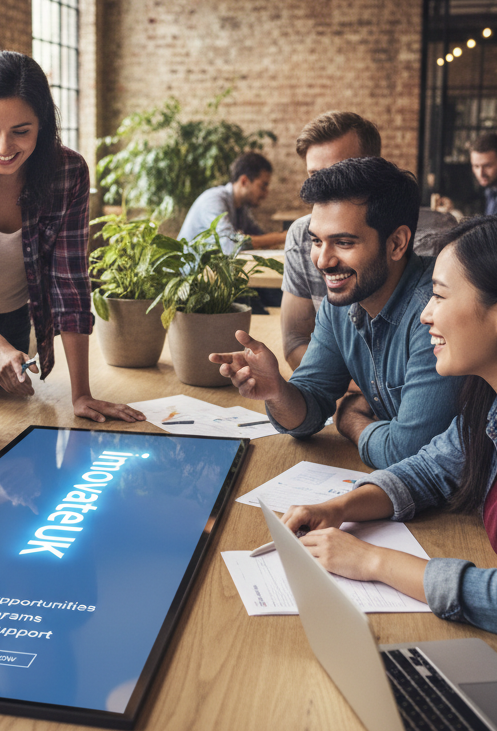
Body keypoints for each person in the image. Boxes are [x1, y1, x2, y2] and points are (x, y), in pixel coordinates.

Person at [275, 214, 497, 731]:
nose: (426, 315)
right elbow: (429, 469)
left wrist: (372, 562)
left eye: (438, 295)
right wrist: (339, 506)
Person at [0, 51, 143, 424]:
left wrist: (81, 393)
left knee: (8, 432)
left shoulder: (68, 173)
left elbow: (69, 283)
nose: (4, 148)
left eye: (21, 131)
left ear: (43, 125)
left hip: (13, 326)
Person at [211, 157, 463, 469]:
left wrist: (349, 419)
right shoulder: (342, 302)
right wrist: (276, 389)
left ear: (397, 243)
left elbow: (408, 454)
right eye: (317, 241)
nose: (322, 260)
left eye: (343, 242)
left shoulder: (435, 313)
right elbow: (310, 404)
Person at [282, 111, 455, 369]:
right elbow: (296, 341)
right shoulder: (302, 236)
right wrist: (358, 394)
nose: (329, 186)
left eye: (342, 170)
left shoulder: (438, 241)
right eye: (315, 176)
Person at [177, 152, 287, 252]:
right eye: (262, 187)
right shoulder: (213, 200)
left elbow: (260, 236)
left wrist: (274, 240)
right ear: (244, 181)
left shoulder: (241, 209)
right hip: (187, 273)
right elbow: (230, 245)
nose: (266, 194)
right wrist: (282, 237)